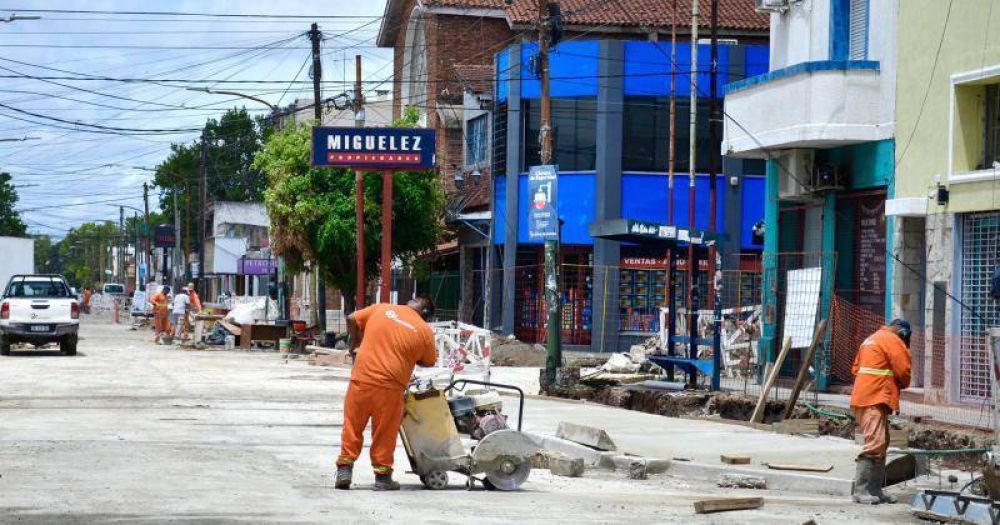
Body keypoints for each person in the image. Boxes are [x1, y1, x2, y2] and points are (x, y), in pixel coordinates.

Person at [335, 297, 438, 491]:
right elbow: (428, 361)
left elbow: (351, 318)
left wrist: (355, 343)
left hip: (361, 380)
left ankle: (345, 469)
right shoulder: (424, 331)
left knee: (352, 425)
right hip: (390, 388)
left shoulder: (381, 309)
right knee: (385, 432)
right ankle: (382, 478)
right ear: (426, 314)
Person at [850, 318, 912, 505]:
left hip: (869, 396)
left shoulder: (872, 338)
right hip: (874, 397)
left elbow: (855, 369)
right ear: (902, 333)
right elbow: (903, 370)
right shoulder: (892, 340)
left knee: (881, 443)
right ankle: (861, 491)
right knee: (875, 443)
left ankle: (875, 490)